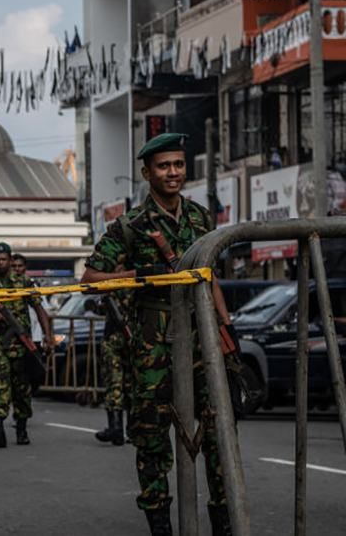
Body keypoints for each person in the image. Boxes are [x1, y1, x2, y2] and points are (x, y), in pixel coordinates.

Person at [82, 133, 235, 536]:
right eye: (165, 166)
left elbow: (210, 278)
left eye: (179, 165)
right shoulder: (130, 226)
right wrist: (141, 276)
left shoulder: (202, 218)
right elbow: (91, 279)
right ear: (147, 172)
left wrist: (225, 330)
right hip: (152, 344)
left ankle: (223, 520)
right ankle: (161, 525)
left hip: (201, 339)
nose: (173, 173)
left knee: (218, 434)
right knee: (151, 439)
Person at [0, 243, 55, 449]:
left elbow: (39, 309)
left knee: (22, 388)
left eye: (4, 259)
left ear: (9, 260)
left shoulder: (24, 282)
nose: (1, 263)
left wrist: (48, 335)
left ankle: (21, 429)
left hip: (22, 342)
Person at [92, 295, 131, 446]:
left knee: (118, 384)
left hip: (122, 338)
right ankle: (118, 429)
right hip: (122, 338)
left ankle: (117, 429)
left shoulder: (118, 282)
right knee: (122, 384)